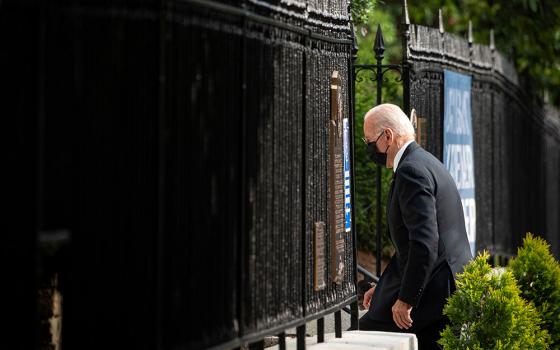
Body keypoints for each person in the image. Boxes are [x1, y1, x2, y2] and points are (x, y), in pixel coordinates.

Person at [358, 103, 473, 350]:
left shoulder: (411, 171)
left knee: (364, 335)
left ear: (387, 136)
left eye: (370, 142)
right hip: (446, 284)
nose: (370, 149)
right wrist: (383, 288)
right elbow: (414, 246)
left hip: (434, 291)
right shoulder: (426, 161)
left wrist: (405, 299)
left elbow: (424, 243)